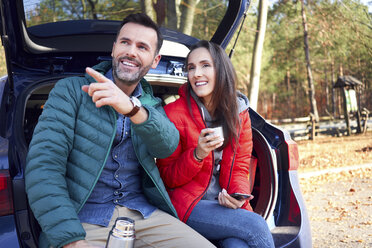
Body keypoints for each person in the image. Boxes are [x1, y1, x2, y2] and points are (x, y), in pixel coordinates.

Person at [25, 14, 215, 248]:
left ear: (154, 60)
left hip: (143, 215)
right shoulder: (71, 91)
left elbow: (167, 145)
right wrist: (70, 240)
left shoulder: (152, 104)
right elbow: (44, 168)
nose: (131, 52)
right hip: (82, 220)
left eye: (142, 47)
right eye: (125, 42)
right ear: (114, 49)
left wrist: (132, 109)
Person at [156, 40, 275, 248]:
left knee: (237, 245)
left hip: (223, 206)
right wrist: (198, 154)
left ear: (221, 70)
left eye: (205, 65)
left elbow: (239, 166)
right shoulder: (173, 114)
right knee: (256, 226)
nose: (196, 73)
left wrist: (238, 196)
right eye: (191, 68)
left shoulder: (238, 114)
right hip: (189, 204)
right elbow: (167, 177)